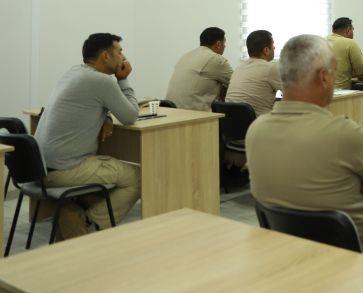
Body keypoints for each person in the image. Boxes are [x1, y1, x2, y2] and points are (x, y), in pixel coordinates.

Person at [246, 35, 363, 261]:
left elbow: (303, 174)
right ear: (323, 77)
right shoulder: (343, 133)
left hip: (296, 258)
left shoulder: (256, 131)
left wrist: (360, 180)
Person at [33, 33, 141, 239]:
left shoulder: (74, 73)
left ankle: (72, 210)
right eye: (119, 52)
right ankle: (86, 222)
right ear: (106, 56)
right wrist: (123, 79)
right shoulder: (102, 81)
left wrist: (106, 118)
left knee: (109, 167)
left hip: (38, 166)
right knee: (139, 177)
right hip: (63, 170)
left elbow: (90, 104)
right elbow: (130, 116)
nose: (124, 57)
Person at [165, 27, 233, 111]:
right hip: (194, 115)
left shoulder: (187, 56)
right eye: (224, 43)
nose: (225, 46)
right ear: (218, 44)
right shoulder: (215, 59)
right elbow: (235, 84)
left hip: (171, 111)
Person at [225, 29, 282, 117]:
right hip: (258, 122)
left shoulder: (239, 67)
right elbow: (294, 92)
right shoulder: (270, 68)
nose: (274, 48)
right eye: (273, 45)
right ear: (266, 50)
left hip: (230, 122)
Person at [327, 17, 363, 88]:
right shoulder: (350, 43)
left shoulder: (322, 41)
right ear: (348, 30)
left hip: (322, 91)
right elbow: (362, 75)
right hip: (342, 92)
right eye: (353, 29)